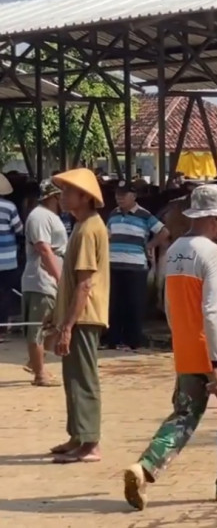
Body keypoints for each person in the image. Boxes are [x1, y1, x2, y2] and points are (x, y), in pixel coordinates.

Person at [122, 184, 217, 509]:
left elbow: (169, 304)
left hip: (186, 350)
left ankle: (145, 467)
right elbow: (213, 310)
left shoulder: (174, 251)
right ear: (214, 218)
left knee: (184, 415)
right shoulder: (213, 253)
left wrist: (182, 340)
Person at [46, 168, 110, 464]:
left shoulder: (88, 230)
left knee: (83, 378)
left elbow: (85, 283)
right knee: (72, 377)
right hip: (78, 316)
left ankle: (90, 442)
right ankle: (78, 435)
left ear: (84, 197)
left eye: (68, 191)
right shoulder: (83, 226)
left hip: (84, 316)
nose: (62, 196)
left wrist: (68, 325)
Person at [103, 180, 169, 351]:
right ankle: (113, 340)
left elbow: (164, 232)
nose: (119, 198)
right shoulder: (113, 215)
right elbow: (106, 235)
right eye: (118, 194)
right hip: (114, 265)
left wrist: (149, 246)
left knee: (134, 304)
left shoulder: (144, 215)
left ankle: (133, 341)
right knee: (115, 304)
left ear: (133, 196)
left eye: (123, 195)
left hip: (135, 266)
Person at [21, 180, 67, 387]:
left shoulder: (50, 216)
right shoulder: (39, 216)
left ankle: (36, 362)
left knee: (57, 323)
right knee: (39, 326)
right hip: (42, 279)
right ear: (54, 196)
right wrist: (59, 277)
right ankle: (40, 373)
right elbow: (44, 249)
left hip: (50, 277)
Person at [0, 172, 22, 340]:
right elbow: (19, 229)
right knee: (6, 293)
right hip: (7, 259)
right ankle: (2, 326)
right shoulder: (10, 207)